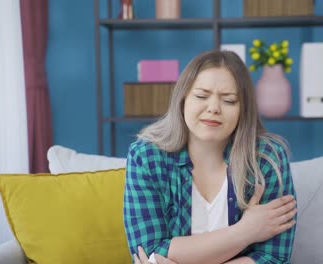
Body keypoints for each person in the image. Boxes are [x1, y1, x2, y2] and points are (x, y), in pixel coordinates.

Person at [124, 50, 297, 264]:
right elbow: (150, 252)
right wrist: (246, 231)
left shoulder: (268, 158)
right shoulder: (146, 157)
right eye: (201, 96)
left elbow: (274, 258)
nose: (213, 108)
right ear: (183, 99)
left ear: (243, 109)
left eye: (229, 100)